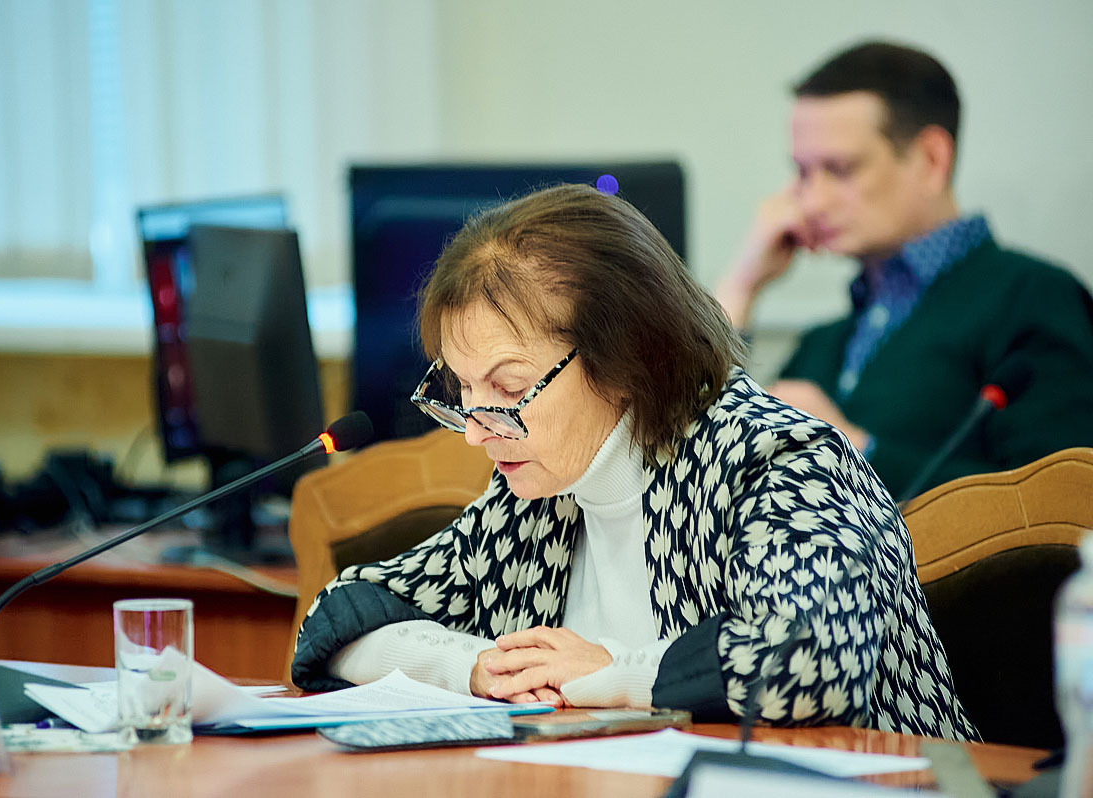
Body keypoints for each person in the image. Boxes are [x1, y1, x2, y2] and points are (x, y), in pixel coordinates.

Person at [291, 182, 976, 741]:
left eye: (507, 389)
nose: (475, 433)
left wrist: (607, 672)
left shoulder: (777, 460)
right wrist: (476, 667)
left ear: (624, 360)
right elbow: (339, 621)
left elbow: (811, 660)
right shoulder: (538, 496)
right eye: (462, 392)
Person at [717, 41, 1093, 501]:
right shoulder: (819, 347)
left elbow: (1063, 505)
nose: (811, 202)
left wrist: (850, 450)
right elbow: (704, 478)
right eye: (802, 173)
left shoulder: (1033, 297)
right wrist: (741, 284)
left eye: (840, 169)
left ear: (932, 160)